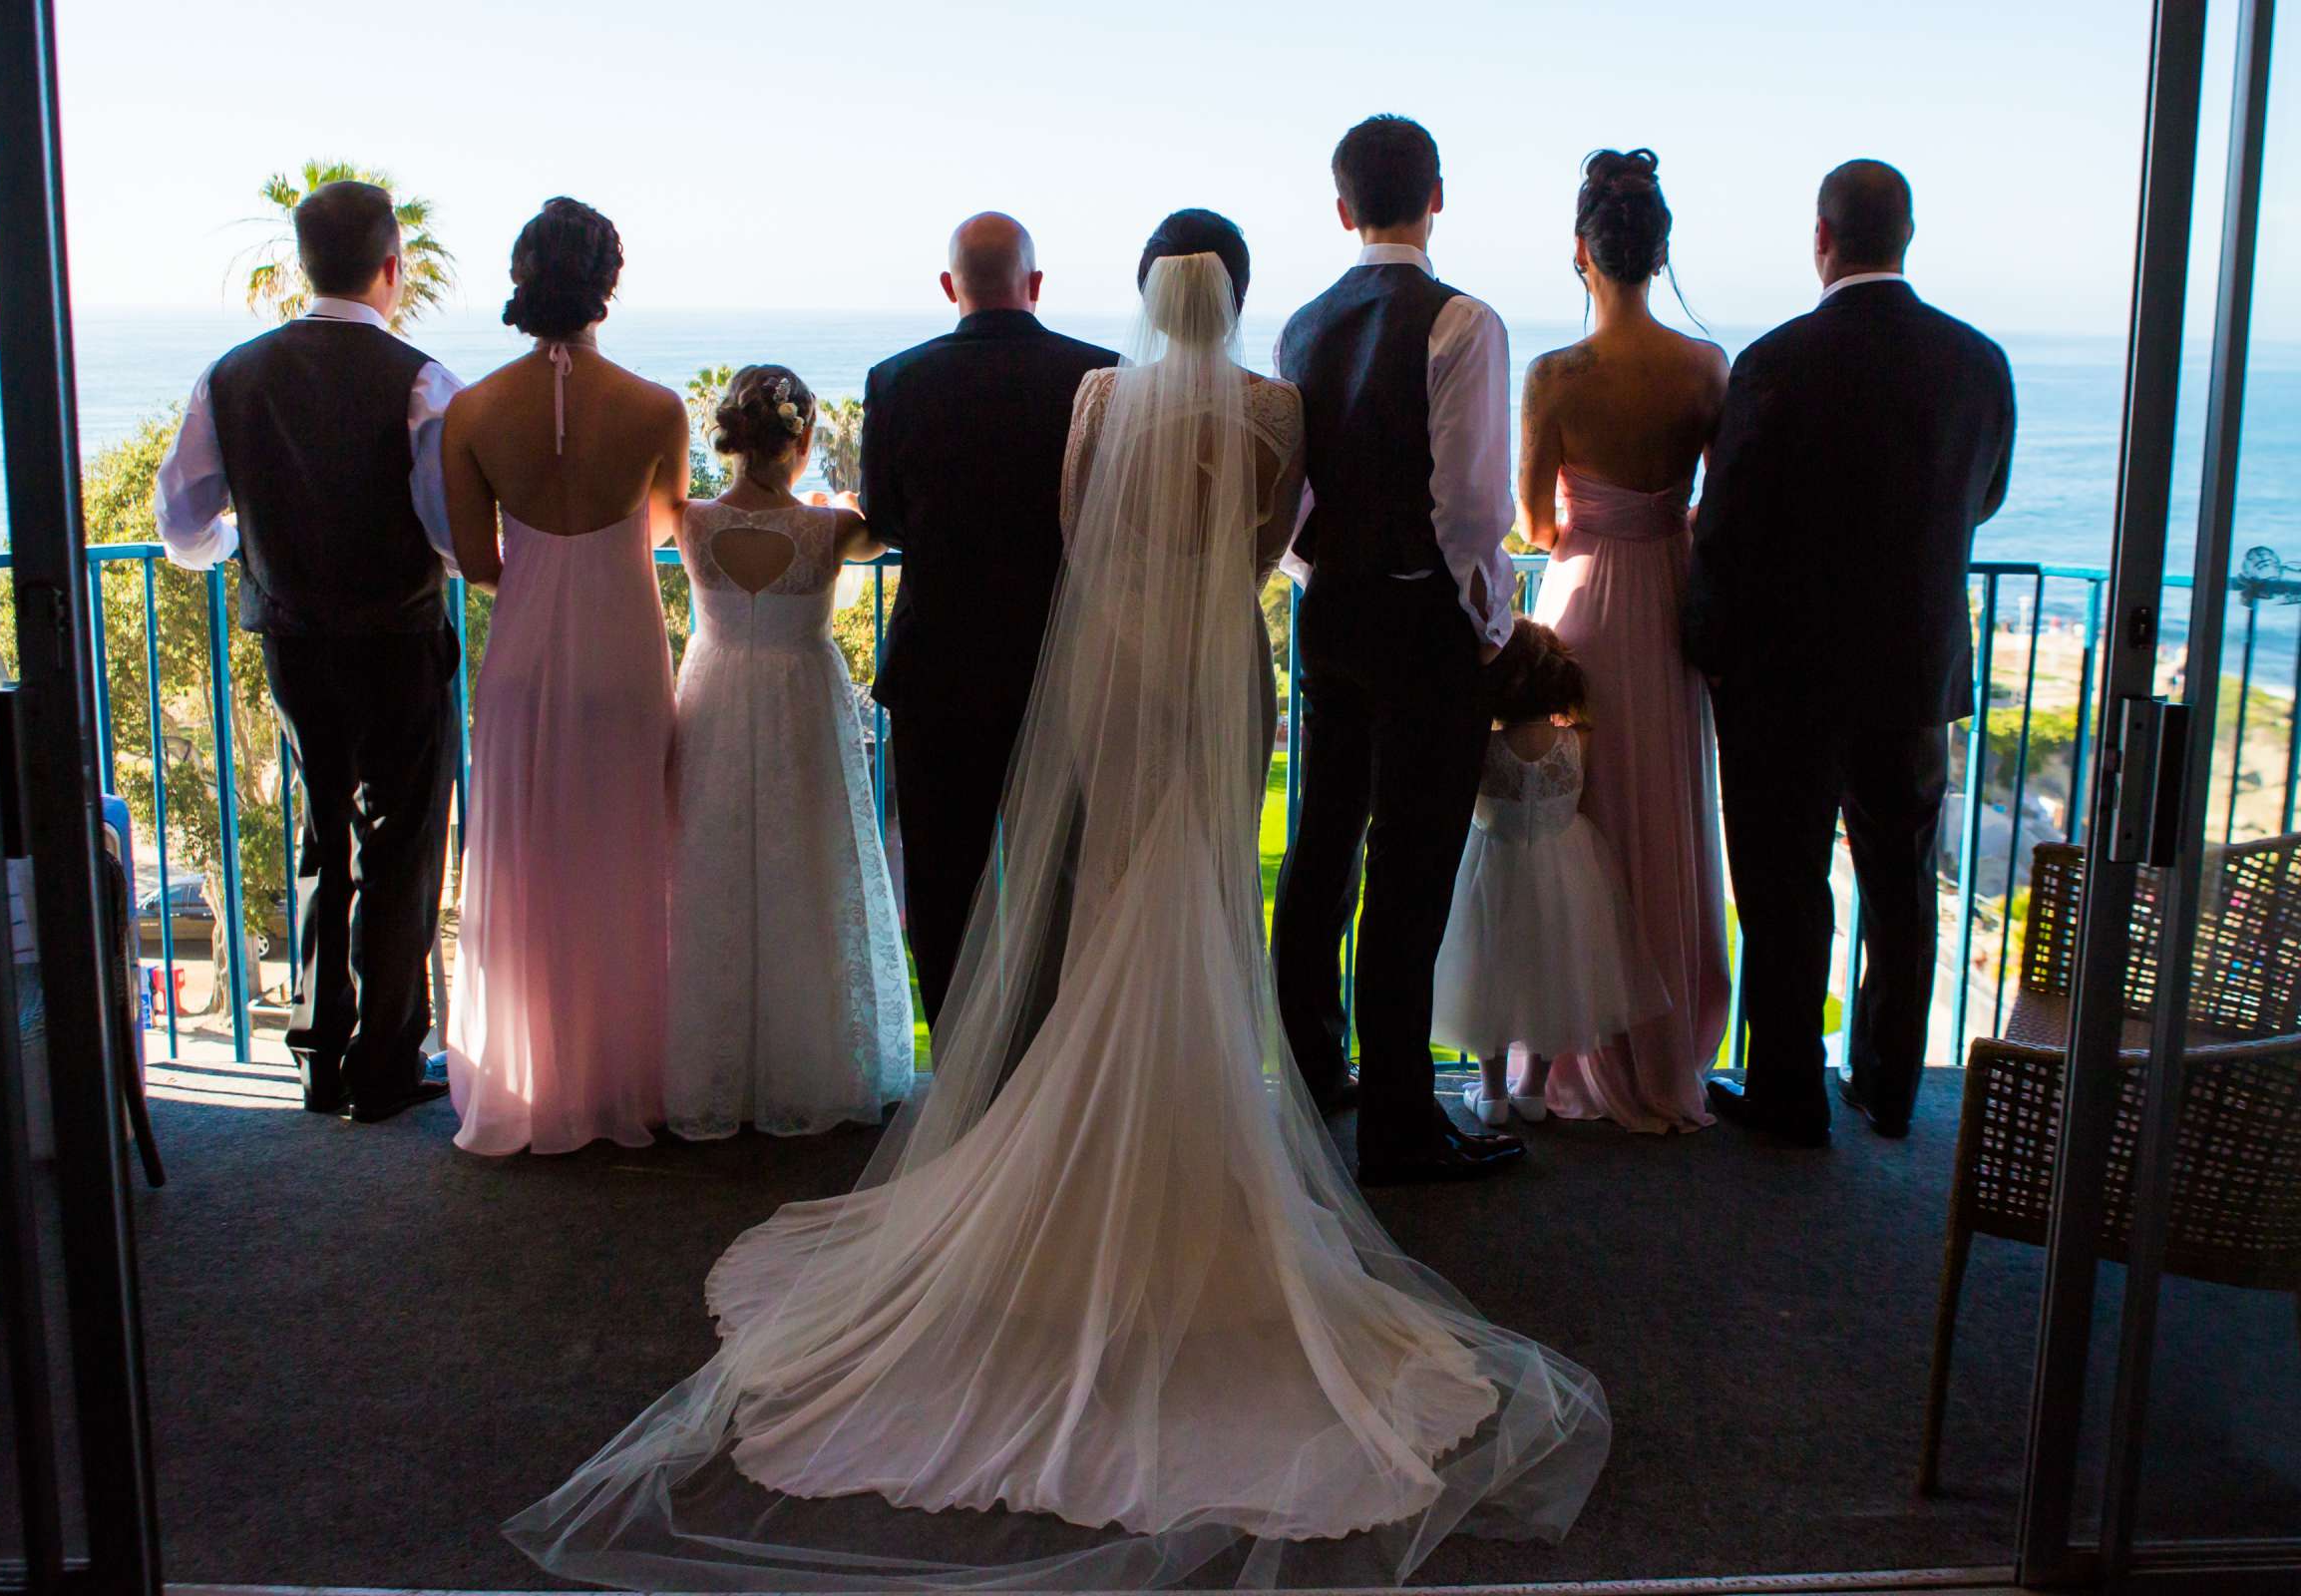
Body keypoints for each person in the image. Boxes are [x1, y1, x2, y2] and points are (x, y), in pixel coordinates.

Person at [506, 211, 1610, 1593]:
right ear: (1241, 293)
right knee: (1203, 884)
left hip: (1122, 661)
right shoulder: (1271, 407)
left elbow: (1083, 525)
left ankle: (1072, 1124)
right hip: (1217, 661)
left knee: (1097, 894)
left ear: (1145, 292)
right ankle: (1201, 1134)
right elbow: (1273, 543)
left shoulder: (1100, 398)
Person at [1686, 160, 2016, 1146]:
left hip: (1786, 677)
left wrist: (1706, 644)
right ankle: (1888, 1085)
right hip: (1912, 670)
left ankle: (1789, 1091)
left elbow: (1727, 527)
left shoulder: (1778, 361)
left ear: (1820, 239)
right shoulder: (1978, 361)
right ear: (1906, 236)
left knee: (1786, 885)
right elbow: (1984, 498)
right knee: (1902, 884)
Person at [154, 179, 459, 1123]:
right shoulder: (420, 380)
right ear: (392, 267)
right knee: (402, 842)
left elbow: (180, 522)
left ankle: (321, 1061)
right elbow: (448, 532)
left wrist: (248, 549)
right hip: (402, 638)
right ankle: (386, 1063)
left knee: (326, 837)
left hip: (293, 640)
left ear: (301, 265)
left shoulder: (231, 374)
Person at [1271, 114, 1520, 1183]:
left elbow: (1291, 498)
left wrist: (1319, 571)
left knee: (1323, 846)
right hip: (1422, 619)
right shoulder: (1464, 323)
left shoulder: (1301, 325)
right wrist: (1489, 619)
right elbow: (1471, 506)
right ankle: (1401, 1126)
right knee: (1409, 869)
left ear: (1342, 210)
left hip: (1329, 612)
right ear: (1438, 196)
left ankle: (1310, 1072)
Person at [442, 198, 686, 1157]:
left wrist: (545, 565)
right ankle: (626, 1078)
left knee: (525, 861)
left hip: (524, 659)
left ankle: (531, 1080)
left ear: (522, 278)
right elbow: (665, 529)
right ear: (607, 286)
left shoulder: (472, 411)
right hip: (624, 654)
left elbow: (475, 558)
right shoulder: (656, 407)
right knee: (628, 855)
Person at [860, 213, 1117, 1034]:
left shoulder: (896, 380)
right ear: (1034, 285)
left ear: (950, 288)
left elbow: (885, 514)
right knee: (1068, 876)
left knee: (944, 881)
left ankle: (965, 1076)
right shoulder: (1098, 375)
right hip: (1063, 660)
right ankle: (1059, 1067)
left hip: (939, 667)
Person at [1519, 149, 1731, 1133]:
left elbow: (1533, 524)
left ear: (1581, 254)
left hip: (1588, 599)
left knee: (1581, 817)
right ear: (1660, 252)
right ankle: (1664, 1044)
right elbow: (1717, 501)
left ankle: (1564, 1043)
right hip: (1670, 594)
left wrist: (1587, 522)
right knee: (1667, 804)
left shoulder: (1556, 375)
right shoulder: (1705, 368)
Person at [663, 364, 915, 1138]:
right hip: (801, 699)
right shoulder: (830, 531)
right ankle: (809, 1063)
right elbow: (888, 523)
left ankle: (713, 1064)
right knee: (809, 861)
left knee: (710, 865)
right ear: (802, 441)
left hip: (714, 696)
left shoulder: (689, 521)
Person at [1432, 621, 1667, 1127]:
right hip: (1566, 870)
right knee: (1554, 969)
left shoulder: (1485, 747)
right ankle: (1533, 1089)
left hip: (1492, 868)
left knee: (1486, 971)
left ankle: (1492, 1093)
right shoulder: (1577, 740)